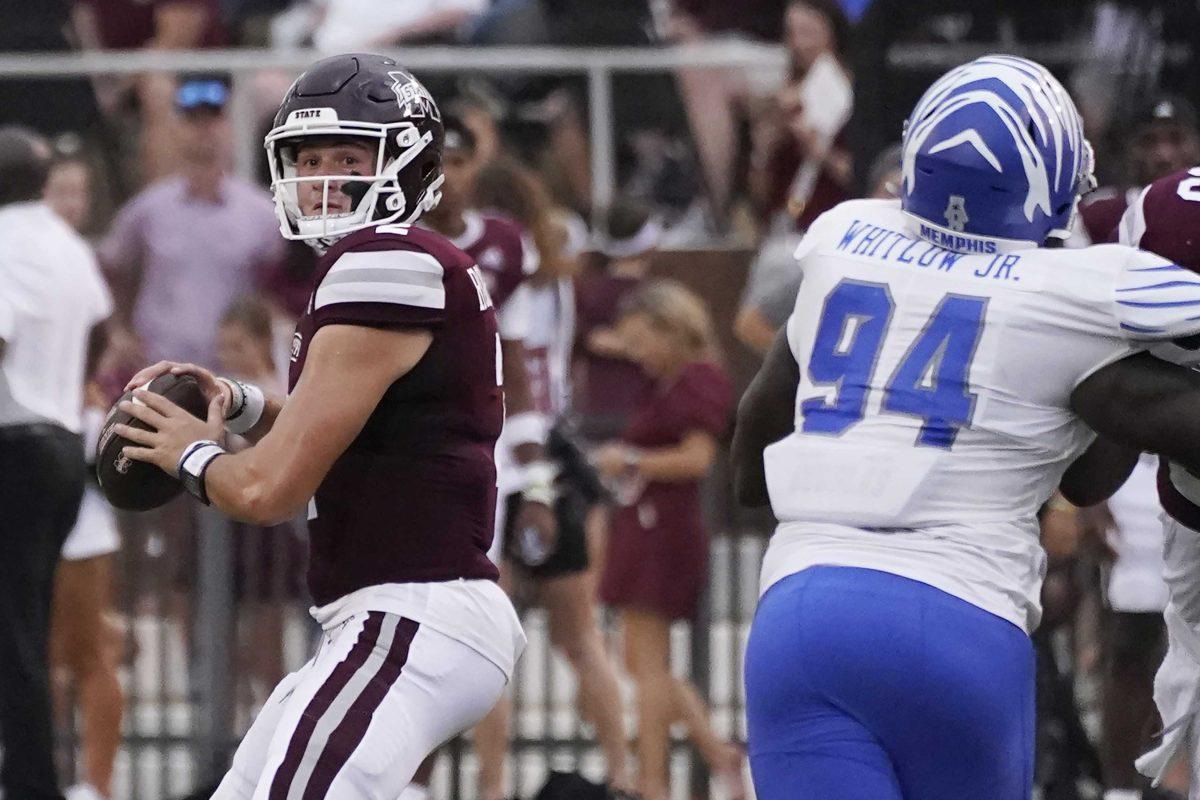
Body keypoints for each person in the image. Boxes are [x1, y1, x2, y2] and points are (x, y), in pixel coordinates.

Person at [731, 55, 1200, 800]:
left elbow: (754, 447)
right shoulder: (1067, 292)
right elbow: (1103, 464)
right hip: (959, 621)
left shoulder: (845, 237)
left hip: (803, 610)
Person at [112, 54, 525, 798]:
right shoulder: (395, 262)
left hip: (408, 612)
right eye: (309, 159)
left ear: (406, 161)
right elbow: (358, 427)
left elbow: (267, 489)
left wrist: (186, 453)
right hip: (390, 615)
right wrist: (237, 402)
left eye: (348, 156)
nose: (325, 176)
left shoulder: (382, 263)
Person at [472, 156, 637, 797]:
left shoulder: (502, 283)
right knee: (580, 635)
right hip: (555, 449)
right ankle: (623, 773)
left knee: (490, 636)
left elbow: (513, 376)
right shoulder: (557, 279)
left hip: (510, 450)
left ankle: (491, 784)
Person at [416, 114, 557, 800]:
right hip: (407, 451)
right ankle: (408, 780)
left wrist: (538, 483)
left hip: (480, 457)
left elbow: (523, 367)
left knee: (479, 628)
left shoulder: (503, 244)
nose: (451, 175)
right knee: (408, 621)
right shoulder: (392, 241)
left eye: (462, 160)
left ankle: (491, 787)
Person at [592, 280, 743, 800]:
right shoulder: (669, 381)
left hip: (665, 529)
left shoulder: (699, 380)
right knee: (644, 664)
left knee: (648, 667)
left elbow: (697, 459)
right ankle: (715, 754)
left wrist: (629, 459)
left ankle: (655, 783)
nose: (636, 355)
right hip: (645, 525)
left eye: (640, 342)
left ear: (671, 329)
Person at [0, 126, 114, 800]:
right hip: (63, 448)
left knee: (15, 633)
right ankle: (30, 779)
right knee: (25, 625)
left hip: (11, 443)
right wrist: (70, 382)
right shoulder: (66, 243)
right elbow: (100, 322)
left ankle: (32, 784)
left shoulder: (2, 240)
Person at [41, 140, 126, 800]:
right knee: (32, 657)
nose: (69, 205)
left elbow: (100, 342)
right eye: (57, 191)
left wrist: (81, 389)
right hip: (26, 468)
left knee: (88, 649)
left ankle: (93, 785)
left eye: (78, 192)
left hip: (71, 478)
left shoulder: (79, 266)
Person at [1071, 93, 1200, 246]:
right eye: (1149, 141)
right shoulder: (1097, 214)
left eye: (1176, 139)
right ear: (1130, 149)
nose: (1164, 156)